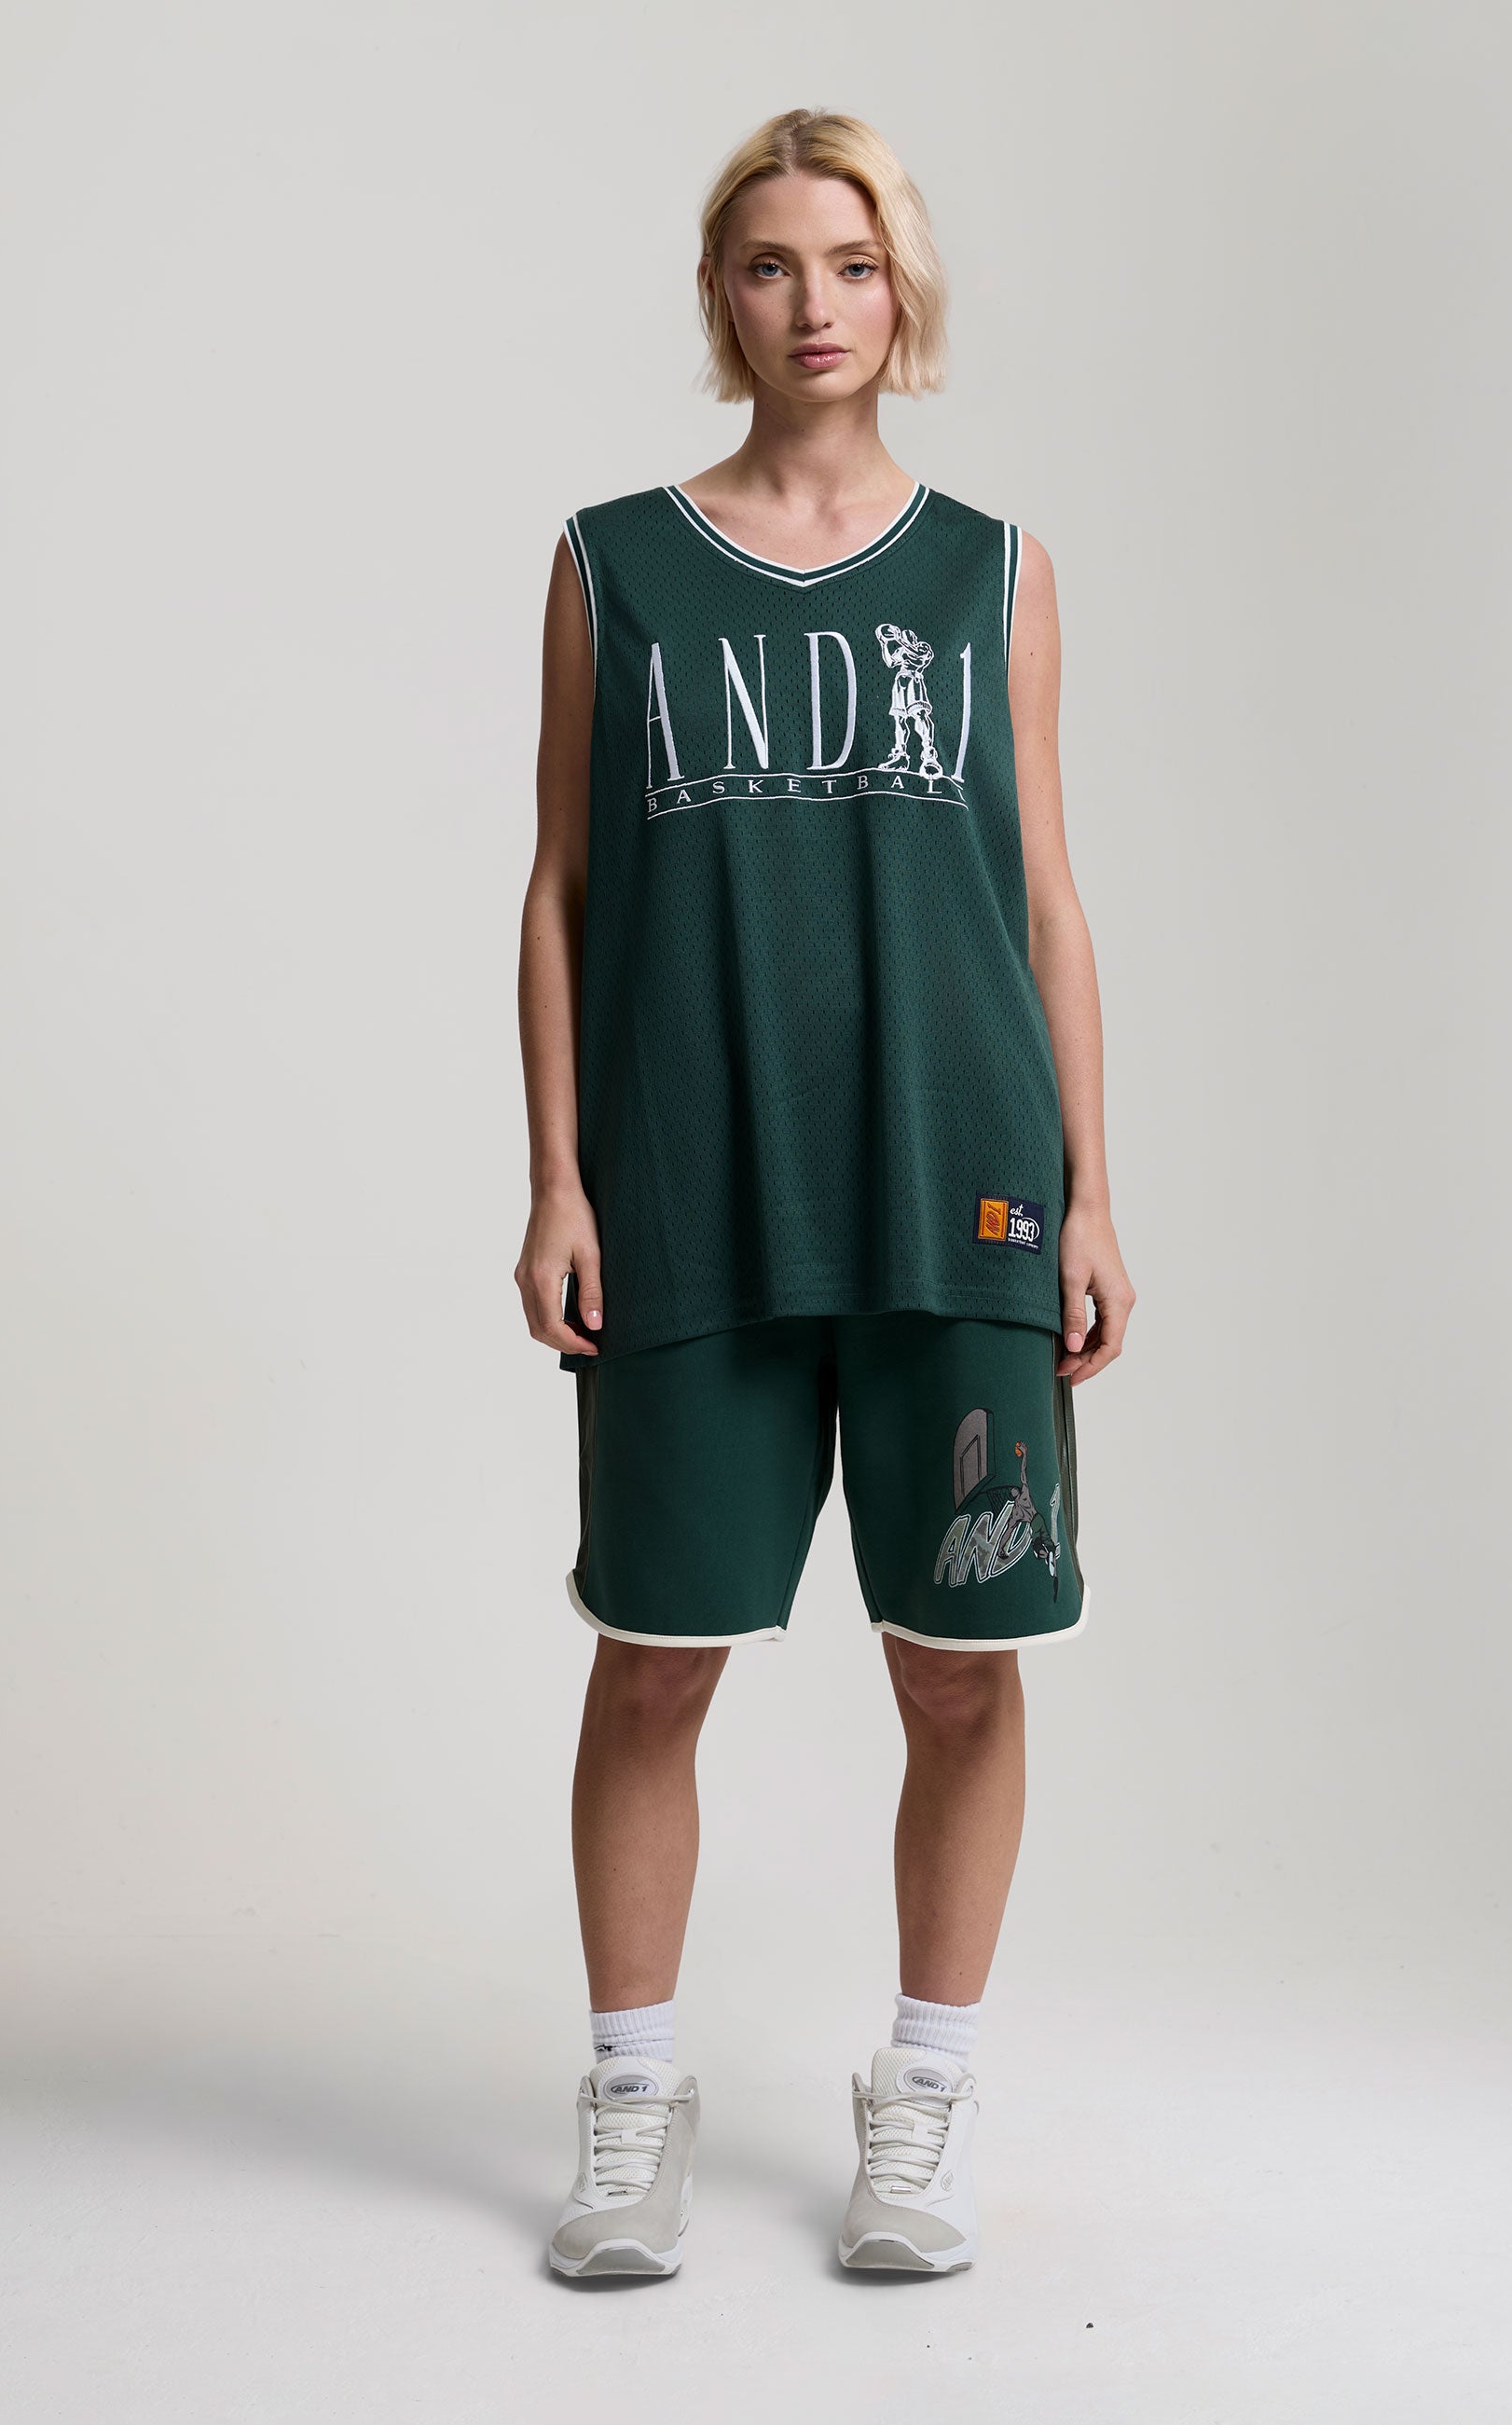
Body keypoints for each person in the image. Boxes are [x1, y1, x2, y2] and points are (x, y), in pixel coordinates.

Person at [515, 107, 1134, 2279]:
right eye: (771, 263)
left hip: (958, 1177)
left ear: (903, 290)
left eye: (851, 263)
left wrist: (1091, 1187)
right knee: (656, 1657)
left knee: (960, 1664)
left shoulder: (995, 568)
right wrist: (557, 1176)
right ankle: (631, 2098)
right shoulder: (613, 562)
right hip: (690, 1174)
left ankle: (927, 2089)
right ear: (724, 294)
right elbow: (563, 887)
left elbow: (1045, 890)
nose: (814, 303)